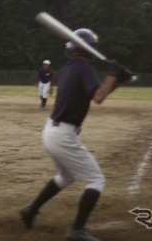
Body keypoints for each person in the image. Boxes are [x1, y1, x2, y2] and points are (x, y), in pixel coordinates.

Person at [19, 28, 133, 241]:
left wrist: (117, 80)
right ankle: (77, 230)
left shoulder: (69, 68)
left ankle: (31, 210)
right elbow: (99, 97)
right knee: (96, 180)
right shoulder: (84, 69)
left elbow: (96, 93)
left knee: (67, 176)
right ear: (89, 49)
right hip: (62, 135)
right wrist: (113, 75)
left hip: (51, 131)